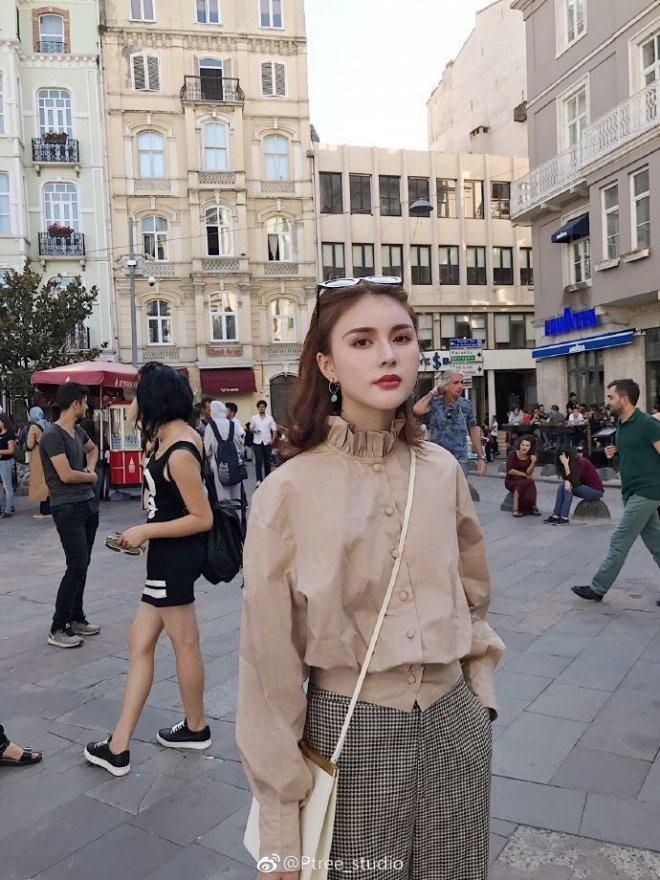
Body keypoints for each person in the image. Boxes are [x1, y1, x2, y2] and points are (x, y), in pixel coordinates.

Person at [236, 278, 504, 880]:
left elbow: (474, 595)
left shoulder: (441, 472)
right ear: (327, 364)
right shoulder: (288, 491)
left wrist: (478, 696)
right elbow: (268, 663)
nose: (388, 355)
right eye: (362, 341)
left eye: (401, 338)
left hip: (455, 727)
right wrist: (280, 828)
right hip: (351, 735)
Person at [84, 363, 213, 776]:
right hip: (167, 556)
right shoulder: (170, 438)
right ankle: (169, 733)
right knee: (140, 640)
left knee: (184, 643)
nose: (131, 402)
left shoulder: (179, 450)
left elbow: (202, 517)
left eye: (137, 395)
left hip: (174, 557)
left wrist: (145, 530)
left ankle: (146, 740)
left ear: (154, 399)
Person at [572, 379, 660, 604]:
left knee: (619, 540)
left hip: (647, 491)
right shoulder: (622, 424)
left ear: (624, 399)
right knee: (657, 544)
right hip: (631, 491)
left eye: (610, 397)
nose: (607, 402)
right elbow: (638, 452)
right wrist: (616, 452)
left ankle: (598, 587)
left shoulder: (647, 424)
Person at [40, 383, 100, 648]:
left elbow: (93, 449)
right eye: (85, 402)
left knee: (83, 564)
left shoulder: (77, 431)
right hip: (67, 507)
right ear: (76, 403)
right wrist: (91, 477)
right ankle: (58, 627)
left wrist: (89, 467)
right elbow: (64, 475)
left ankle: (76, 618)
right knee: (76, 565)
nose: (86, 406)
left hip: (87, 504)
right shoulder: (52, 435)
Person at [412, 371, 487, 477]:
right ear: (446, 385)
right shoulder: (435, 403)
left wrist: (481, 457)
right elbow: (417, 409)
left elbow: (473, 430)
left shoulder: (466, 405)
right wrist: (433, 392)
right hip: (439, 457)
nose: (460, 386)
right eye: (455, 383)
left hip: (460, 458)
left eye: (461, 382)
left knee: (459, 486)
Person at [544, 448, 604, 524]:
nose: (562, 460)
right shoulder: (568, 465)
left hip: (596, 491)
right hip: (585, 488)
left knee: (569, 487)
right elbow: (569, 480)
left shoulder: (581, 462)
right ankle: (556, 515)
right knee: (562, 486)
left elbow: (573, 481)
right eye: (560, 458)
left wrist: (566, 465)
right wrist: (566, 471)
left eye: (563, 458)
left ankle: (564, 517)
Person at [204, 399, 244, 502]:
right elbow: (240, 446)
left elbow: (207, 451)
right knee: (236, 494)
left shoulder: (210, 426)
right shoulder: (233, 424)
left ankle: (226, 512)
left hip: (218, 465)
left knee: (223, 494)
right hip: (234, 462)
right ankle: (237, 511)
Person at [505, 434, 540, 517]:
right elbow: (510, 470)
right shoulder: (513, 454)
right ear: (519, 445)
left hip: (524, 479)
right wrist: (524, 475)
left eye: (527, 446)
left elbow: (529, 473)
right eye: (523, 445)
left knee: (531, 482)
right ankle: (515, 509)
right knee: (520, 483)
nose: (524, 447)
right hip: (511, 479)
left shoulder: (531, 457)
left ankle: (533, 506)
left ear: (531, 447)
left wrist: (533, 462)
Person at [27, 406, 51, 518]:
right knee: (47, 481)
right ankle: (48, 508)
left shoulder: (34, 427)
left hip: (38, 457)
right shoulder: (49, 424)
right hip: (49, 456)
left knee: (40, 483)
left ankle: (44, 511)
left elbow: (30, 444)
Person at [247, 400, 277, 485]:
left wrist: (272, 440)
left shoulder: (270, 418)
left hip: (267, 442)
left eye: (263, 406)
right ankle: (259, 480)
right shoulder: (254, 418)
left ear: (265, 407)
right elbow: (250, 429)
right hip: (257, 442)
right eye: (260, 407)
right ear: (257, 408)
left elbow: (274, 430)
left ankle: (267, 479)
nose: (261, 408)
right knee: (259, 461)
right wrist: (254, 430)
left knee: (267, 462)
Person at [0, 414, 16, 518]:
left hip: (5, 461)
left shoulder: (9, 434)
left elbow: (11, 450)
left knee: (7, 486)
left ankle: (8, 509)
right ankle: (2, 507)